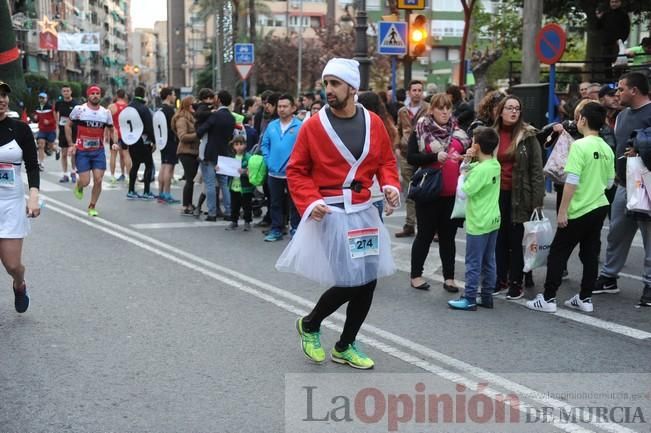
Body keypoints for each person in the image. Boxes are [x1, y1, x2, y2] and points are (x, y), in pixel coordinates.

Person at [276, 58, 400, 369]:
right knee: (349, 279)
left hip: (364, 211)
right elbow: (297, 170)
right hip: (330, 213)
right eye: (326, 83)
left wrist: (390, 185)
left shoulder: (373, 122)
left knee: (367, 280)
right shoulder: (313, 126)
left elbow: (386, 161)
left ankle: (345, 345)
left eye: (335, 84)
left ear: (352, 88)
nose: (328, 90)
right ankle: (311, 323)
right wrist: (310, 202)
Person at [527, 102, 615, 313]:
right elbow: (610, 182)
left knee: (558, 252)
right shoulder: (606, 148)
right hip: (599, 207)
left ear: (583, 120)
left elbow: (572, 181)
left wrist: (563, 210)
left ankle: (548, 298)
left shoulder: (579, 145)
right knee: (590, 253)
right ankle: (585, 298)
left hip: (579, 208)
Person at [593, 72, 651, 306]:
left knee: (649, 236)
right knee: (617, 232)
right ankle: (609, 276)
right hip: (623, 183)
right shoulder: (622, 116)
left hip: (647, 186)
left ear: (634, 90)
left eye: (621, 89)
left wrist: (642, 149)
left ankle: (649, 284)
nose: (617, 94)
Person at [407, 93, 469, 292]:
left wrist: (466, 157)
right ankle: (416, 275)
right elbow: (411, 158)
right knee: (424, 235)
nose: (444, 112)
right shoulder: (420, 129)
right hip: (429, 193)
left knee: (447, 238)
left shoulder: (458, 132)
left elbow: (467, 157)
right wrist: (434, 156)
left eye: (448, 108)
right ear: (431, 110)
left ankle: (449, 278)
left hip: (452, 195)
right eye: (440, 108)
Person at [493, 95, 545, 299]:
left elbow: (536, 170)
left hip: (520, 195)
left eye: (517, 108)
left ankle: (516, 282)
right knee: (498, 240)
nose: (513, 112)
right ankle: (500, 279)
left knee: (517, 241)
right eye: (509, 108)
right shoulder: (491, 133)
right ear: (501, 111)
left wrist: (537, 201)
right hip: (495, 194)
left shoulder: (528, 135)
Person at [448, 127, 501, 311]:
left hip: (478, 221)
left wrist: (462, 175)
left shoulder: (480, 170)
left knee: (473, 262)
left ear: (476, 146)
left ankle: (469, 298)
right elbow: (471, 167)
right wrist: (469, 159)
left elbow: (463, 192)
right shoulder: (494, 164)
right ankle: (486, 296)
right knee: (489, 260)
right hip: (493, 219)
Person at [0, 81, 40, 313]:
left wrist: (33, 196)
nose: (2, 100)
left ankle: (19, 284)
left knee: (13, 264)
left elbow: (33, 167)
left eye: (4, 95)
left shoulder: (21, 129)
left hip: (11, 205)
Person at [66, 85, 115, 216]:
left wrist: (114, 143)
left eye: (97, 93)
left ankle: (92, 206)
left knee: (98, 180)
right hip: (82, 151)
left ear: (100, 95)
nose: (95, 95)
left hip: (98, 151)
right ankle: (79, 185)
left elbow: (111, 129)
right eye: (92, 93)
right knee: (86, 181)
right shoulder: (79, 110)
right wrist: (71, 144)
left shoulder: (105, 113)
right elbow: (68, 125)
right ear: (88, 95)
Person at [260, 93, 302, 241]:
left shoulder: (300, 126)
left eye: (285, 106)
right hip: (274, 173)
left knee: (295, 203)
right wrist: (268, 160)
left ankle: (295, 228)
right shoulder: (272, 125)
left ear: (293, 108)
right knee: (275, 202)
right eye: (280, 106)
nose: (282, 109)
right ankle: (276, 229)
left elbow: (304, 148)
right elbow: (264, 144)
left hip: (293, 173)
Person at [395, 80, 429, 238]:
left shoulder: (428, 108)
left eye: (419, 90)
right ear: (409, 92)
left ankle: (429, 227)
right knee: (409, 191)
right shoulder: (402, 110)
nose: (417, 92)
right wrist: (396, 146)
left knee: (426, 190)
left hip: (423, 154)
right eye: (414, 90)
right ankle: (409, 224)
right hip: (405, 153)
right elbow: (398, 129)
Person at [196, 90, 236, 221]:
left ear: (219, 100)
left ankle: (212, 213)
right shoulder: (231, 117)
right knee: (224, 183)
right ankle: (229, 212)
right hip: (224, 152)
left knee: (210, 183)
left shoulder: (215, 116)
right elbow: (231, 136)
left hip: (210, 153)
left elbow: (201, 131)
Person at [172, 96, 200, 216]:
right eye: (193, 104)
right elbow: (182, 136)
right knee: (189, 179)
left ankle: (189, 203)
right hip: (186, 151)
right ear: (188, 105)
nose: (195, 106)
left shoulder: (192, 117)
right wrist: (198, 134)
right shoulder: (182, 119)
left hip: (193, 151)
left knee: (191, 179)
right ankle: (185, 205)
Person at [126, 86, 155, 200]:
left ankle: (131, 190)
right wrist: (153, 141)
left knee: (135, 165)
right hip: (143, 140)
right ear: (144, 94)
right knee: (148, 165)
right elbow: (149, 127)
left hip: (131, 140)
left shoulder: (128, 108)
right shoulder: (144, 108)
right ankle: (146, 192)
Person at [596, 0, 630, 81]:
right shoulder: (606, 14)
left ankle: (618, 80)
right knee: (606, 62)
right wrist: (599, 18)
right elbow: (598, 27)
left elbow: (626, 29)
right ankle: (608, 81)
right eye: (612, 2)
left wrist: (621, 40)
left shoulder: (624, 15)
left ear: (620, 3)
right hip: (606, 43)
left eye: (616, 2)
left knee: (618, 63)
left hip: (617, 43)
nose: (614, 4)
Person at [225, 135, 254, 231]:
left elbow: (252, 171)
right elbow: (226, 169)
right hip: (233, 186)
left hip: (246, 186)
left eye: (241, 144)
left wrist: (245, 171)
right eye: (236, 144)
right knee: (234, 205)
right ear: (233, 146)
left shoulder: (249, 157)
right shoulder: (231, 157)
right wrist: (219, 168)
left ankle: (247, 222)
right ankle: (234, 221)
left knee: (247, 205)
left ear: (245, 145)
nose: (239, 146)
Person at [157, 87, 180, 204]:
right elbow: (174, 126)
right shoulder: (169, 111)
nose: (175, 97)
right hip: (170, 141)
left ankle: (161, 193)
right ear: (168, 96)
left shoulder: (159, 110)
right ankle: (167, 193)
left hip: (161, 141)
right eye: (173, 94)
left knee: (163, 166)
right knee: (169, 168)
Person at [54, 85, 78, 183]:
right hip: (63, 130)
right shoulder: (59, 103)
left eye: (68, 91)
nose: (66, 93)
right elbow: (55, 112)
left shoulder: (76, 103)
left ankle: (73, 172)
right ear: (62, 92)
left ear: (71, 92)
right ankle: (65, 174)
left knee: (73, 152)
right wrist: (57, 122)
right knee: (64, 153)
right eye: (64, 91)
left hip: (73, 130)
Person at [107, 89, 132, 183]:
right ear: (124, 96)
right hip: (125, 133)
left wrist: (106, 134)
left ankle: (112, 176)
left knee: (113, 155)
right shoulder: (128, 107)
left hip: (114, 133)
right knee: (126, 154)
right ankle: (129, 177)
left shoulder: (112, 107)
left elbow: (107, 122)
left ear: (116, 95)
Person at [34, 92, 57, 170]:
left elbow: (55, 119)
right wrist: (36, 118)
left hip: (51, 130)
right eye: (40, 98)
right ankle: (41, 163)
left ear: (46, 99)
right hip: (42, 130)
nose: (41, 99)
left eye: (43, 98)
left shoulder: (51, 107)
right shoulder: (37, 108)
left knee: (50, 146)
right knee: (41, 145)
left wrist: (49, 121)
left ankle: (56, 149)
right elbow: (37, 120)